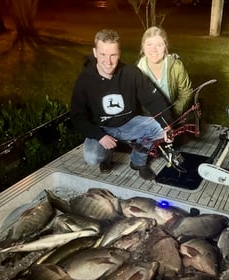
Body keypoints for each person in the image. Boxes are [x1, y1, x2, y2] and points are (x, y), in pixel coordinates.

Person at [69, 29, 174, 181]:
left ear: (120, 53)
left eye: (113, 55)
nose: (108, 61)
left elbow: (154, 99)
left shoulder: (131, 73)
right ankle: (106, 157)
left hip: (128, 123)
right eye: (103, 54)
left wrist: (167, 125)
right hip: (101, 127)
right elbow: (77, 117)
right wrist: (99, 135)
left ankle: (138, 162)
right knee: (92, 157)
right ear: (95, 52)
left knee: (159, 129)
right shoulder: (85, 80)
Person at [137, 26, 193, 118]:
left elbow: (186, 92)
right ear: (143, 46)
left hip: (172, 116)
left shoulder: (176, 66)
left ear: (166, 47)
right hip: (147, 118)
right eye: (149, 44)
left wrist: (173, 113)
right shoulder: (138, 71)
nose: (154, 50)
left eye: (159, 45)